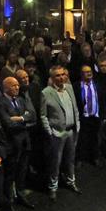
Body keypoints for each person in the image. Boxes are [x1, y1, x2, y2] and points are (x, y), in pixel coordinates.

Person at [40, 66, 81, 202]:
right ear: (52, 78)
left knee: (70, 159)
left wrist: (77, 124)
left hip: (71, 130)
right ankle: (53, 187)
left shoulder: (69, 88)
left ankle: (71, 181)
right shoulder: (46, 93)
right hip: (57, 133)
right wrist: (50, 132)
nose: (61, 77)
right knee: (55, 162)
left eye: (63, 74)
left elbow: (75, 108)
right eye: (57, 75)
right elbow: (43, 115)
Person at [0, 76, 37, 211]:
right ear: (6, 87)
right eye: (14, 86)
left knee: (22, 171)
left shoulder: (20, 99)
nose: (17, 87)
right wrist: (23, 119)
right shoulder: (0, 102)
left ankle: (20, 194)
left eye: (18, 85)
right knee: (10, 174)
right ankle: (8, 202)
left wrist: (19, 118)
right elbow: (7, 123)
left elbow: (31, 115)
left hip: (25, 141)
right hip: (12, 144)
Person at [73, 65, 103, 166]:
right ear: (81, 74)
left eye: (90, 71)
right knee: (82, 139)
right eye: (86, 72)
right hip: (83, 116)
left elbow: (101, 99)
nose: (89, 73)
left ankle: (95, 157)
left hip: (95, 116)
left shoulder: (97, 84)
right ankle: (80, 159)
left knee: (95, 138)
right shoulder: (77, 86)